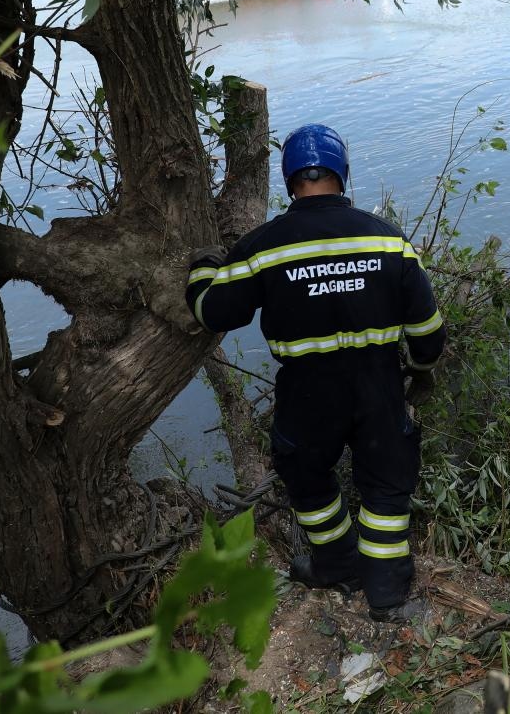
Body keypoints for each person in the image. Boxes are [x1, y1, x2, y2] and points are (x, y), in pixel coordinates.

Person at [185, 123, 445, 622]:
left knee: (306, 477)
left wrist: (201, 268)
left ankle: (336, 564)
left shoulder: (264, 246)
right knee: (387, 484)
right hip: (378, 383)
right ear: (342, 173)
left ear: (289, 181)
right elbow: (429, 331)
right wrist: (421, 370)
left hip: (307, 392)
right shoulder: (388, 240)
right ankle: (388, 595)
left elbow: (214, 312)